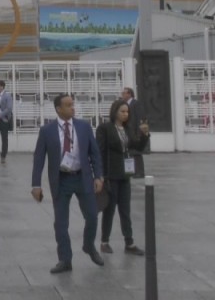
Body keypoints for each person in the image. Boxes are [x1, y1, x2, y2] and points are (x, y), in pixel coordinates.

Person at [31, 93, 105, 273]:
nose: (73, 107)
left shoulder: (84, 127)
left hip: (82, 177)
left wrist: (98, 176)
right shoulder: (47, 131)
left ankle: (89, 246)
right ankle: (65, 259)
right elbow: (39, 158)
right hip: (61, 179)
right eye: (68, 105)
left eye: (73, 104)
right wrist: (36, 185)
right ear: (58, 109)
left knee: (92, 216)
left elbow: (94, 153)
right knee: (61, 223)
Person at [96, 99, 150, 256]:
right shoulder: (105, 128)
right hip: (111, 174)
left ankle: (129, 242)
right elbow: (99, 151)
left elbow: (137, 146)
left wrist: (144, 134)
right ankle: (104, 241)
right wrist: (100, 174)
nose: (125, 114)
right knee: (110, 209)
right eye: (122, 111)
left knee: (125, 209)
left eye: (127, 112)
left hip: (125, 174)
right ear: (115, 112)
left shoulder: (127, 128)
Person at [120, 87, 148, 177]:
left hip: (135, 132)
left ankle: (140, 172)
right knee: (130, 152)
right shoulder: (125, 104)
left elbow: (140, 117)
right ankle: (133, 171)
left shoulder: (136, 103)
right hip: (128, 132)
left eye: (124, 93)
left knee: (137, 153)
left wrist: (139, 132)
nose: (122, 95)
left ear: (129, 94)